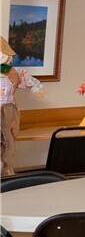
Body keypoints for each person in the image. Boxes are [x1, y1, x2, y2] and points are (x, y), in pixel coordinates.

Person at [0, 36, 44, 177]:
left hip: (8, 110)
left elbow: (28, 81)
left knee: (9, 140)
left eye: (3, 54)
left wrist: (36, 88)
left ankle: (7, 170)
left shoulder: (14, 72)